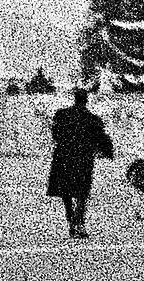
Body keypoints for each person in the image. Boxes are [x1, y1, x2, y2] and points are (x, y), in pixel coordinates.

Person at [46, 88, 113, 239]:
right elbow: (102, 139)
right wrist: (108, 153)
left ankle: (71, 221)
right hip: (83, 158)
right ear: (86, 100)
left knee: (66, 192)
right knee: (82, 192)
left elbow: (55, 134)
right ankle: (79, 222)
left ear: (74, 99)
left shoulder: (62, 115)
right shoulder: (92, 118)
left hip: (63, 156)